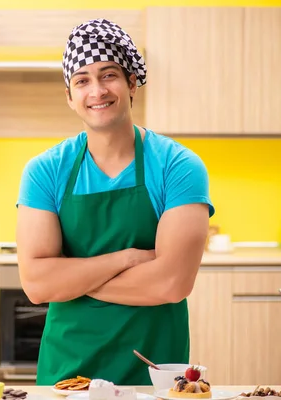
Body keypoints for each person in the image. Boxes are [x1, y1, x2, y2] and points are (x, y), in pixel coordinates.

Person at [15, 18, 215, 386]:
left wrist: (70, 278)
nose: (97, 91)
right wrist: (126, 259)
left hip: (153, 373)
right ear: (69, 96)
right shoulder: (45, 171)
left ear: (131, 84)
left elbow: (170, 283)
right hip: (67, 373)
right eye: (82, 80)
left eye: (108, 75)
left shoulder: (178, 166)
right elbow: (38, 285)